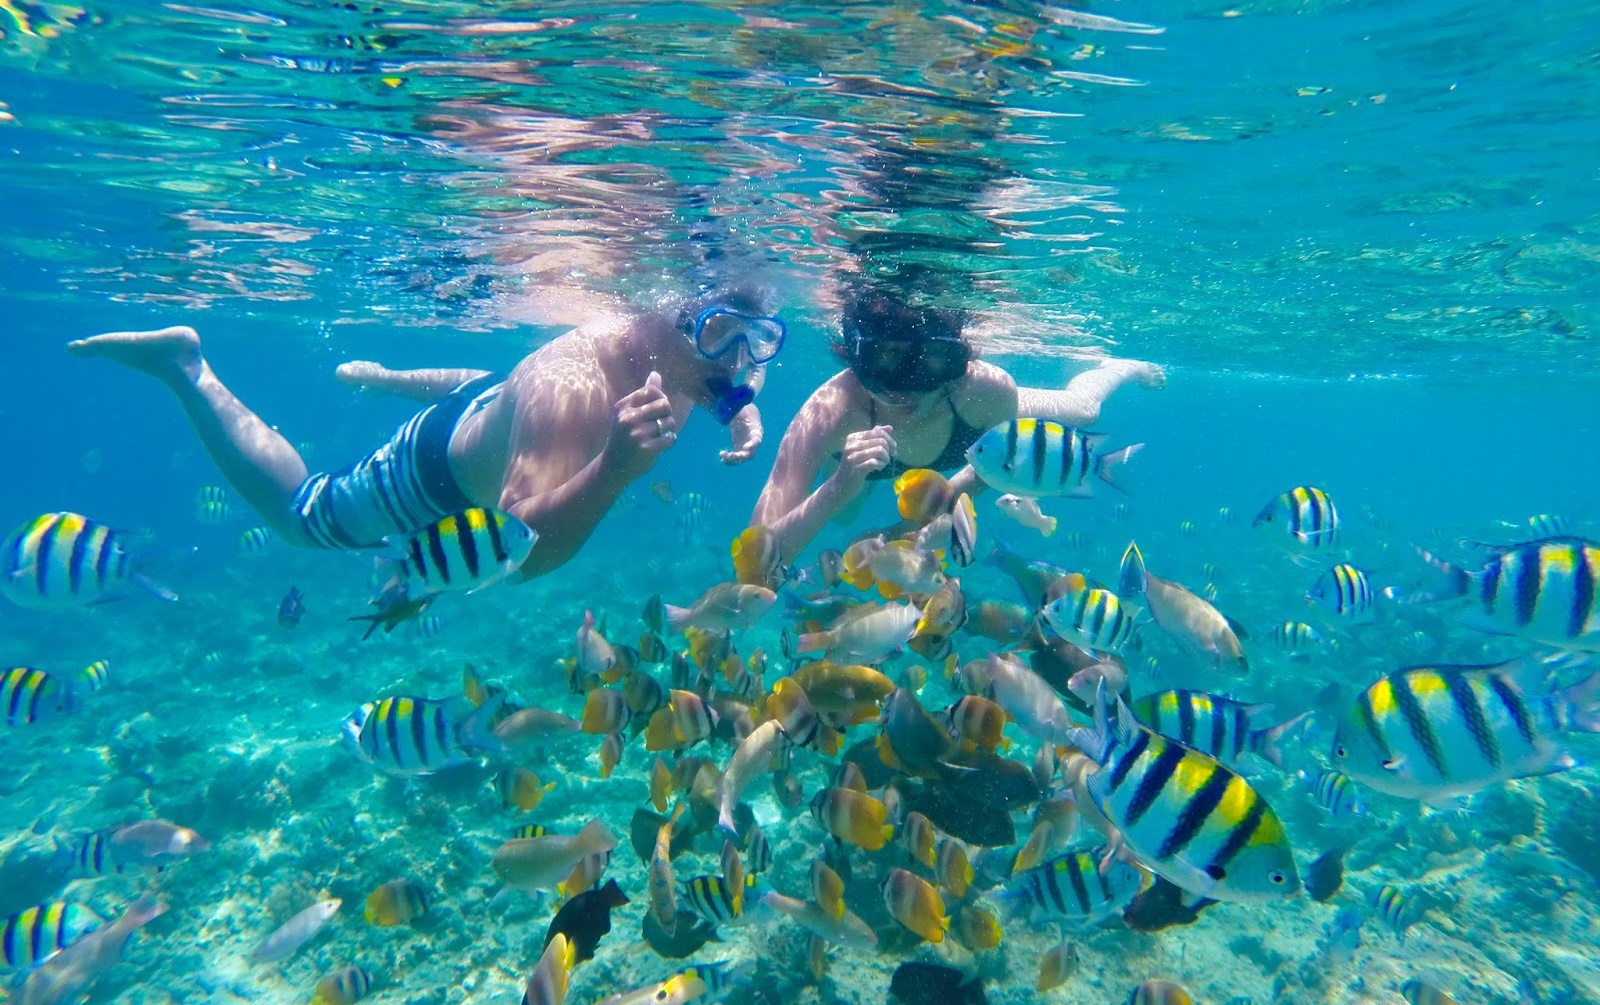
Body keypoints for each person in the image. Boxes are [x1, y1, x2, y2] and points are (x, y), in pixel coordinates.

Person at [68, 286, 784, 578]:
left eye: (759, 342)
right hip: (430, 474)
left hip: (486, 402)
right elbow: (519, 553)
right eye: (722, 336)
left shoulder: (680, 357)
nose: (739, 362)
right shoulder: (573, 394)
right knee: (301, 515)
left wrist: (740, 409)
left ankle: (385, 377)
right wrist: (617, 469)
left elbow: (730, 382)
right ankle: (187, 368)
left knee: (486, 388)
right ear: (672, 318)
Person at [749, 286, 1163, 563]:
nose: (907, 385)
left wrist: (904, 528)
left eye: (931, 359)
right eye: (886, 355)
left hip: (967, 411)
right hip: (856, 463)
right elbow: (759, 553)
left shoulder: (986, 389)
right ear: (855, 355)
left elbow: (992, 474)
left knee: (1085, 408)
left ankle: (1121, 367)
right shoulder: (830, 410)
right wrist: (840, 485)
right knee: (843, 515)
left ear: (956, 359)